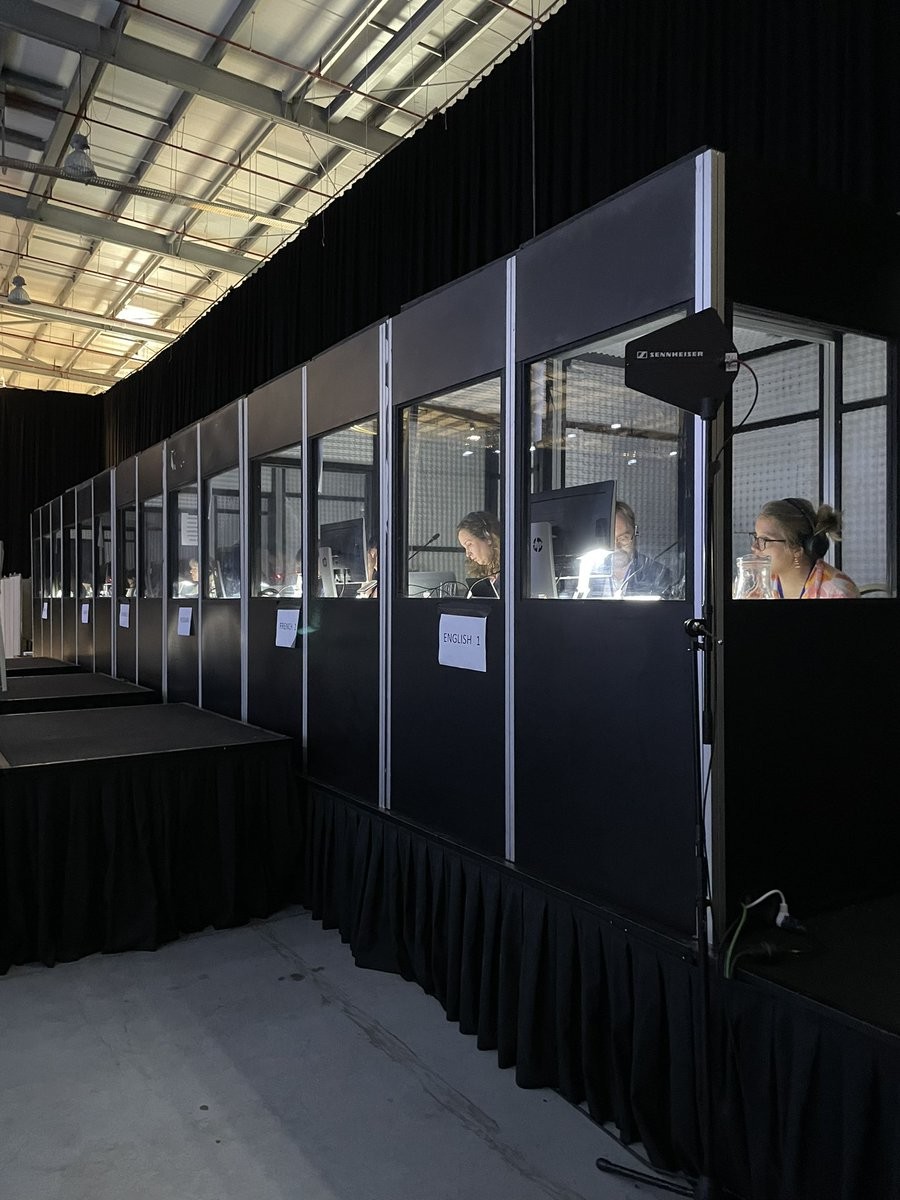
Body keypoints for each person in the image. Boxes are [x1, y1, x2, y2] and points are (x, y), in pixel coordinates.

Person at [749, 497, 860, 599]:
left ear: (797, 549)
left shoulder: (837, 594)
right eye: (756, 537)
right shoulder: (761, 586)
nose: (754, 547)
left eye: (764, 539)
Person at [581, 500, 673, 598]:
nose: (616, 547)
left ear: (635, 533)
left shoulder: (658, 575)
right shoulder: (587, 572)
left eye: (623, 538)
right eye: (610, 540)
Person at [457, 510, 501, 598]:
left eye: (469, 544)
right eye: (465, 548)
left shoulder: (511, 573)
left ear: (488, 537)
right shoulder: (481, 578)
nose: (467, 554)